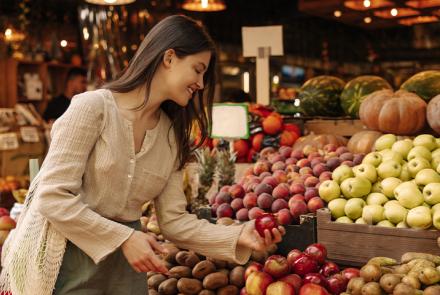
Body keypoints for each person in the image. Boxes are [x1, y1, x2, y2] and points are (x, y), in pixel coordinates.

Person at [0, 15, 284, 295]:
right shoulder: (93, 109)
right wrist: (123, 237)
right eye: (198, 69)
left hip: (127, 270)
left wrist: (238, 234)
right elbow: (52, 196)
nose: (200, 83)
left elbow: (174, 222)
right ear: (169, 57)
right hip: (66, 260)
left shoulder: (172, 136)